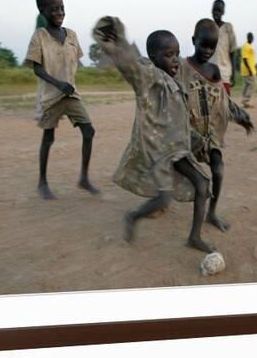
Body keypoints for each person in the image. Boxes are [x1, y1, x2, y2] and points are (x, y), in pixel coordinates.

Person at [92, 16, 215, 253]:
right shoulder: (149, 78)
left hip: (178, 148)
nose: (175, 59)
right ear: (154, 58)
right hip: (159, 152)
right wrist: (117, 42)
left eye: (177, 53)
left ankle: (194, 237)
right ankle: (133, 216)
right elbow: (132, 65)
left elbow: (180, 119)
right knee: (163, 198)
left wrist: (199, 140)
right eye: (168, 55)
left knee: (202, 184)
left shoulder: (176, 81)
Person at [178, 18, 253, 232]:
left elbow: (223, 101)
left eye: (212, 46)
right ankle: (160, 198)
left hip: (209, 134)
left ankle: (211, 212)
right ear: (194, 41)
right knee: (173, 169)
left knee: (218, 170)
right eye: (203, 45)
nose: (207, 51)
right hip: (187, 133)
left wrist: (241, 116)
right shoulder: (181, 67)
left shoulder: (214, 70)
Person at [25, 0, 99, 199]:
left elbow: (76, 59)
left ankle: (83, 178)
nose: (59, 13)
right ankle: (42, 182)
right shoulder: (39, 36)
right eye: (54, 9)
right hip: (51, 96)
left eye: (62, 9)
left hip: (71, 94)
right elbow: (37, 68)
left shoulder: (72, 35)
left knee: (89, 131)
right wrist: (58, 83)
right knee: (48, 138)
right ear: (42, 11)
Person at [209, 0, 238, 95]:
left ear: (223, 12)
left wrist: (234, 73)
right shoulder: (207, 27)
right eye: (214, 10)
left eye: (219, 10)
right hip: (209, 72)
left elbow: (232, 52)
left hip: (224, 72)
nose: (216, 13)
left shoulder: (228, 28)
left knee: (225, 104)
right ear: (211, 10)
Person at [241, 32, 257, 108]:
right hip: (248, 69)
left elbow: (251, 58)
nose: (252, 38)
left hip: (249, 69)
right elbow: (245, 59)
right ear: (248, 37)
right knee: (254, 84)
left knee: (247, 85)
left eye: (252, 37)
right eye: (250, 37)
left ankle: (244, 100)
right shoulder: (246, 46)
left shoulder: (248, 46)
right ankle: (245, 101)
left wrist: (254, 67)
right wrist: (250, 70)